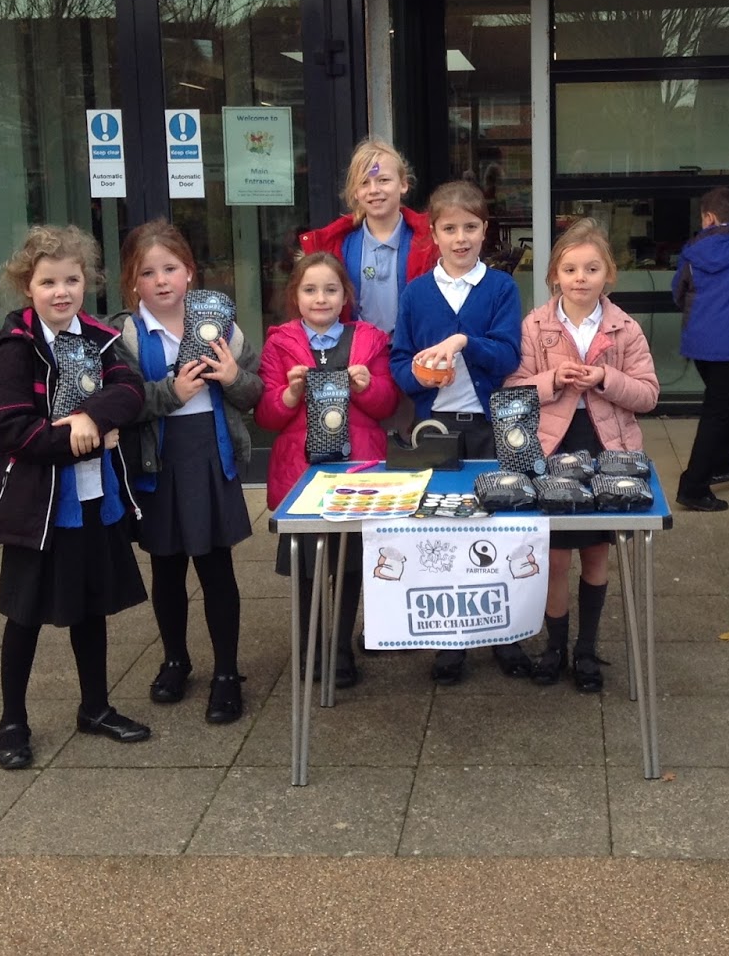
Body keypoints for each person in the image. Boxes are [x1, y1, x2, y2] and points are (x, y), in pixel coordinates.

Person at [0, 224, 151, 770]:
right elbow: (8, 426)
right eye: (48, 282)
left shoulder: (100, 337)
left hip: (94, 499)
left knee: (91, 607)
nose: (61, 292)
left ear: (86, 282)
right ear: (27, 286)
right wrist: (82, 439)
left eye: (71, 280)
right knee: (24, 615)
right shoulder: (15, 347)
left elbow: (130, 391)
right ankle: (12, 722)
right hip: (37, 505)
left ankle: (94, 707)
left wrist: (91, 417)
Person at [112, 220, 263, 726]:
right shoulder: (125, 335)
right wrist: (170, 393)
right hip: (159, 463)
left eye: (170, 268)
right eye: (147, 272)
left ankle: (226, 672)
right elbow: (122, 404)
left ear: (190, 273)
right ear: (132, 282)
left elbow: (255, 392)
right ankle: (175, 659)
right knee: (167, 568)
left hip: (210, 456)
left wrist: (233, 378)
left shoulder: (222, 325)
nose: (161, 281)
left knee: (217, 568)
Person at [507, 218, 660, 692]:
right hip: (551, 450)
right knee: (555, 559)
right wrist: (553, 380)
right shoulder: (535, 325)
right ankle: (554, 647)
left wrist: (605, 379)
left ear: (608, 274)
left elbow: (648, 394)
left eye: (591, 269)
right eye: (570, 269)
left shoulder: (625, 328)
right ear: (554, 274)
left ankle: (587, 650)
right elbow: (513, 388)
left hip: (606, 452)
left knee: (595, 554)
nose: (580, 278)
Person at [390, 180, 527, 686]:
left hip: (490, 426)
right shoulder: (416, 293)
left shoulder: (500, 288)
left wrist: (465, 341)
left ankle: (507, 633)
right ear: (434, 234)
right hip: (435, 429)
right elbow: (399, 363)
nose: (461, 238)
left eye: (470, 227)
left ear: (485, 230)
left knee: (499, 528)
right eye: (450, 229)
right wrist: (421, 375)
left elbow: (509, 356)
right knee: (443, 532)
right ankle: (451, 640)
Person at [257, 252, 399, 689]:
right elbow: (266, 415)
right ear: (295, 295)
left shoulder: (369, 340)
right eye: (310, 290)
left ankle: (339, 650)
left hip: (356, 468)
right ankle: (309, 648)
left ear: (345, 296)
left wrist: (367, 387)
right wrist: (288, 395)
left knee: (350, 564)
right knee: (306, 566)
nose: (321, 298)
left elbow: (386, 405)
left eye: (331, 290)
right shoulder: (279, 343)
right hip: (302, 472)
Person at [298, 137, 439, 335]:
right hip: (356, 350)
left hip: (413, 349)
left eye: (383, 180)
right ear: (356, 192)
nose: (374, 190)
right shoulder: (338, 246)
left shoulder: (430, 241)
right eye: (364, 183)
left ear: (403, 184)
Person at [671, 185, 729, 511]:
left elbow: (678, 292)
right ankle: (693, 486)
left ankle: (721, 459)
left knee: (724, 400)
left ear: (708, 217)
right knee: (718, 409)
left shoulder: (693, 249)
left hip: (699, 341)